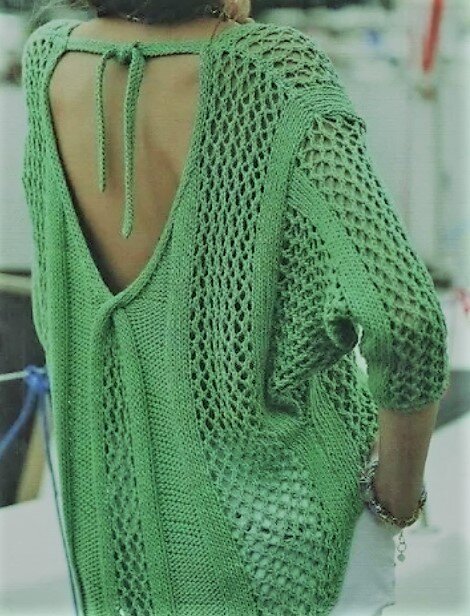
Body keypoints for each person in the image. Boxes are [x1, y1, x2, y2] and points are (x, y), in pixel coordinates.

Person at [21, 1, 450, 614]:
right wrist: (398, 500)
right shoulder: (269, 71)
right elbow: (407, 320)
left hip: (123, 540)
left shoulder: (51, 61)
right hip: (289, 541)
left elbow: (54, 303)